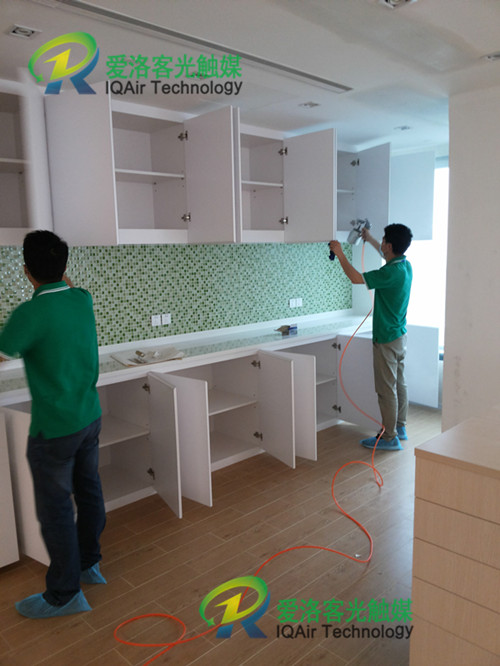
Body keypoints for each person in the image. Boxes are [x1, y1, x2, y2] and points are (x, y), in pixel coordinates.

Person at [0, 230, 106, 619]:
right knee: (89, 492)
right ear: (64, 267)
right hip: (89, 417)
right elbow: (67, 285)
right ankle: (89, 564)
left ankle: (64, 594)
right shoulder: (81, 298)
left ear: (26, 271)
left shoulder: (29, 314)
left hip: (55, 431)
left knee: (57, 510)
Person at [329, 223, 413, 451]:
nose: (382, 243)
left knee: (386, 390)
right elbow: (386, 254)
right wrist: (370, 238)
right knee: (399, 383)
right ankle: (400, 427)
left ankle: (389, 438)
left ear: (390, 245)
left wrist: (340, 254)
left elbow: (356, 278)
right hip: (399, 336)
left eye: (384, 240)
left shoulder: (390, 273)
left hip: (386, 338)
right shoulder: (404, 266)